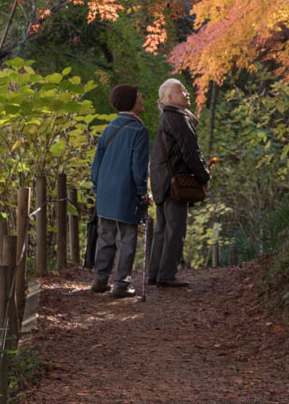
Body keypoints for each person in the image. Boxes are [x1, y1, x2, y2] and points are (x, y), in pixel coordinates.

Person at [148, 77, 210, 288]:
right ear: (170, 98)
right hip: (174, 183)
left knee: (162, 229)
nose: (187, 93)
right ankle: (166, 275)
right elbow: (191, 152)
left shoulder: (167, 119)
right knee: (175, 229)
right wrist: (205, 177)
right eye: (181, 90)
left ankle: (155, 272)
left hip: (160, 181)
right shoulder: (177, 119)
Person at [90, 83, 150, 298]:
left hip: (105, 190)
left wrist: (96, 186)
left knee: (105, 236)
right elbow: (138, 166)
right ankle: (121, 284)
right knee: (127, 237)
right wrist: (143, 191)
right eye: (138, 95)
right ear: (131, 101)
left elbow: (96, 163)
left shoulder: (109, 128)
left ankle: (100, 279)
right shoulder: (139, 131)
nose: (141, 98)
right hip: (126, 190)